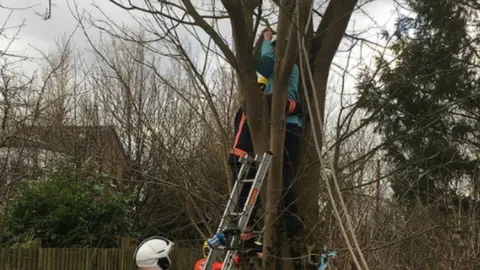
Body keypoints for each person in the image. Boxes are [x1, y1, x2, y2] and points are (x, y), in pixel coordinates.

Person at [254, 28, 303, 268]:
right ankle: (286, 219)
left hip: (287, 128)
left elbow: (262, 62)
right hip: (288, 128)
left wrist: (264, 40)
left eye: (274, 52)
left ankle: (291, 221)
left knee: (281, 176)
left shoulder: (286, 71)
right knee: (281, 177)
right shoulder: (281, 75)